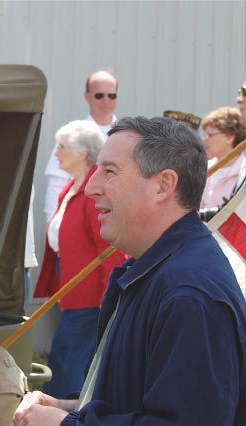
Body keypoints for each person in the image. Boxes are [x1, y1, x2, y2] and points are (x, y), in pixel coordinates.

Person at [13, 116, 246, 426]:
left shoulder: (189, 296)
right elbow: (139, 398)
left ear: (163, 185)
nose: (93, 187)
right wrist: (72, 407)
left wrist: (65, 424)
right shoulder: (151, 270)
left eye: (109, 171)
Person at [33, 120, 127, 398]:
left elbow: (109, 250)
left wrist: (108, 297)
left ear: (84, 153)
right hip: (71, 288)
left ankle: (57, 412)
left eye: (62, 147)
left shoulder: (91, 194)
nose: (57, 153)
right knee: (70, 357)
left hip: (89, 294)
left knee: (67, 359)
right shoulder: (72, 189)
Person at [43, 70, 118, 223]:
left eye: (111, 95)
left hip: (114, 220)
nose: (106, 101)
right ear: (87, 97)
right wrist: (53, 224)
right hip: (77, 220)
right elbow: (56, 184)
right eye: (99, 95)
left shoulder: (125, 135)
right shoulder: (71, 134)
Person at [199, 107, 246, 212]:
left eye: (209, 135)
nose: (204, 140)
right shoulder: (203, 168)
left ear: (229, 137)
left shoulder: (243, 173)